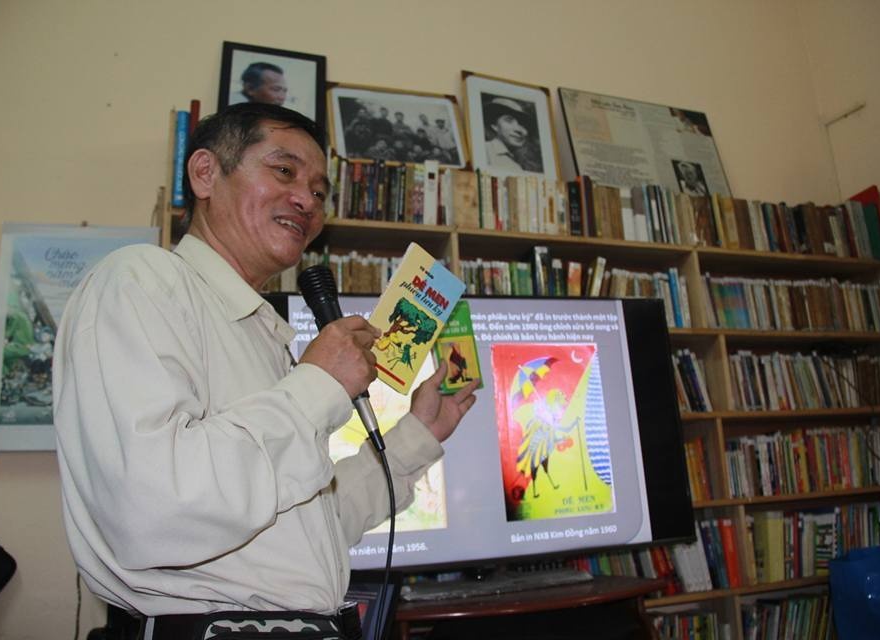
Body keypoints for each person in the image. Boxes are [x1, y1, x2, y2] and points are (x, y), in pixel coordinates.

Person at [53, 102, 478, 639]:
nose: (307, 201)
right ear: (205, 173)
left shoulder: (263, 333)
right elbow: (155, 507)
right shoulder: (140, 280)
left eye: (319, 192)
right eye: (284, 171)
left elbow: (309, 529)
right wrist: (319, 384)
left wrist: (418, 434)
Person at [482, 97, 541, 173]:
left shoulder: (520, 162)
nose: (519, 130)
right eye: (509, 121)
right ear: (494, 126)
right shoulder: (485, 150)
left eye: (523, 124)